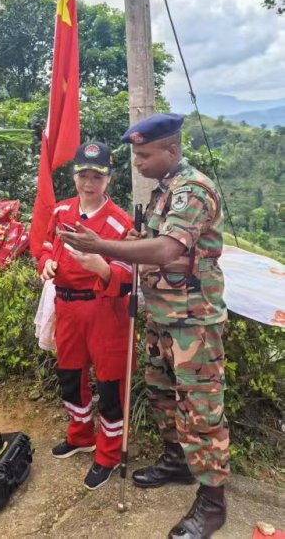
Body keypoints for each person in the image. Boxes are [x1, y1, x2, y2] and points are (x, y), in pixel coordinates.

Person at [61, 114, 229, 539]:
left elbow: (167, 249)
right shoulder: (163, 190)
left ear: (171, 149)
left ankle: (213, 503)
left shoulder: (192, 190)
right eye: (135, 154)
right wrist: (129, 244)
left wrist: (102, 245)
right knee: (161, 395)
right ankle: (177, 461)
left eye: (144, 154)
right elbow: (151, 242)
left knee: (200, 410)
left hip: (193, 321)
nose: (137, 162)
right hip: (162, 314)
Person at [37, 142, 135, 490]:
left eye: (97, 176)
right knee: (69, 374)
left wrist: (101, 268)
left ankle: (108, 454)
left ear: (109, 179)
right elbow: (47, 245)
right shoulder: (62, 210)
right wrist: (45, 262)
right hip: (66, 308)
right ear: (73, 175)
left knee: (110, 385)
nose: (89, 183)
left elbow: (127, 277)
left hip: (104, 311)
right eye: (83, 175)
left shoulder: (121, 222)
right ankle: (80, 435)